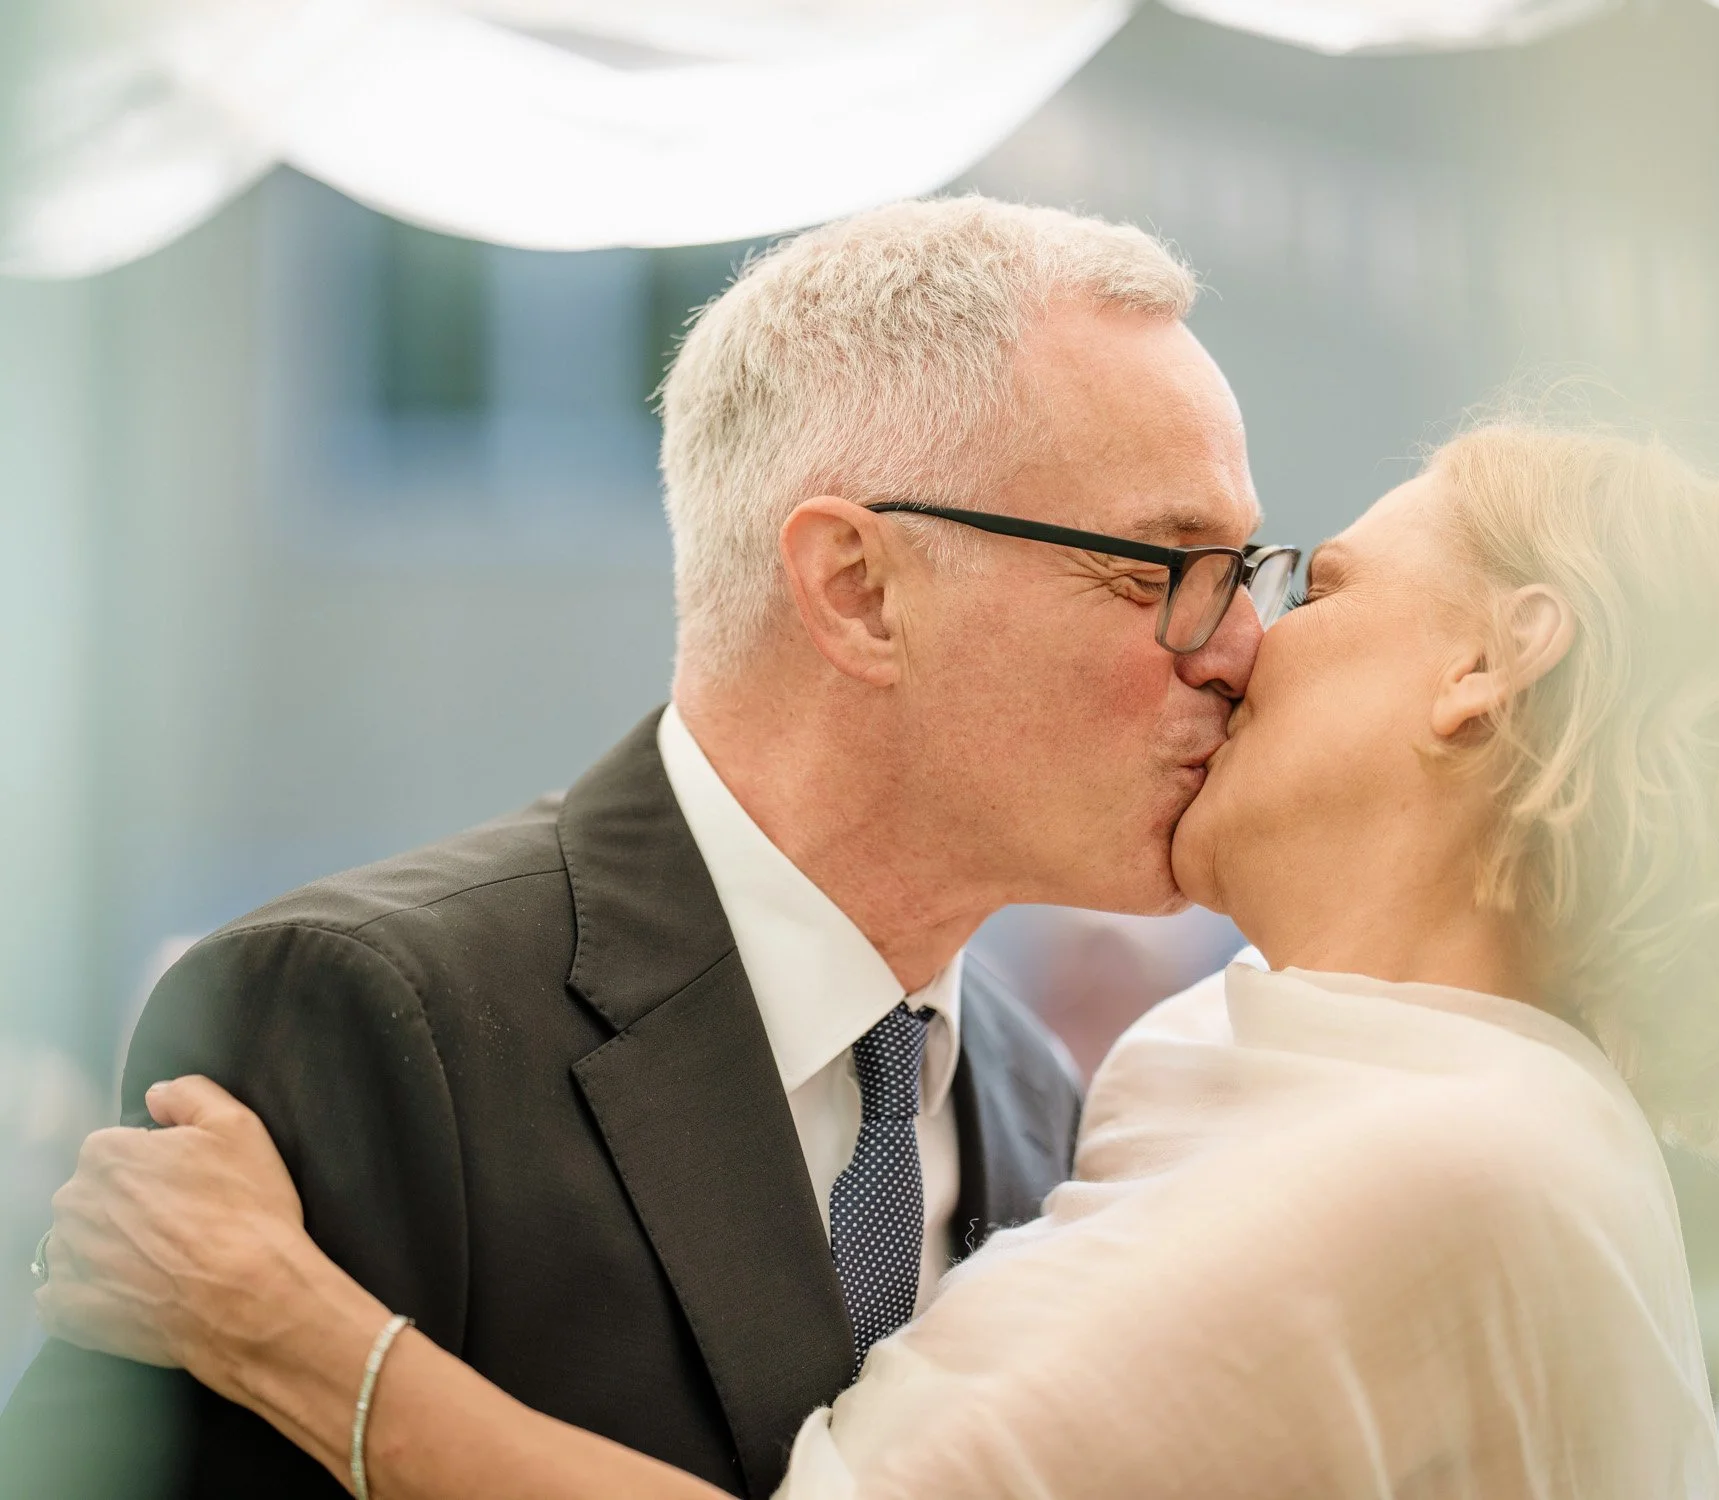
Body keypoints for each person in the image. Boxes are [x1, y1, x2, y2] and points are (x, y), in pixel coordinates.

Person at [34, 423, 1719, 1498]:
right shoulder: (1403, 1108)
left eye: (1317, 584)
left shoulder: (1440, 1158)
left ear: (1489, 668)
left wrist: (286, 1327)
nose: (1235, 645)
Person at [0, 196, 1291, 1498]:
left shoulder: (1034, 1096)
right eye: (1162, 570)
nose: (1239, 651)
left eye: (1244, 572)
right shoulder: (363, 1017)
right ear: (859, 589)